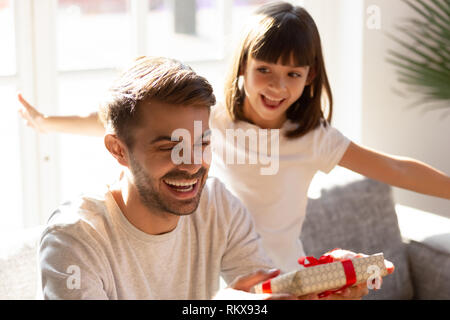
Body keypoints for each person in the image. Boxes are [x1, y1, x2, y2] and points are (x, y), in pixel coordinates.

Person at [19, 2, 450, 274]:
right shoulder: (213, 121)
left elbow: (393, 167)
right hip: (217, 277)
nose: (276, 87)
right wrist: (46, 123)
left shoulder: (312, 137)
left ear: (309, 78)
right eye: (264, 69)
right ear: (242, 67)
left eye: (292, 75)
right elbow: (119, 121)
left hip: (282, 276)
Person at [38, 55, 371, 300]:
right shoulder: (74, 238)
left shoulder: (216, 203)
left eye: (203, 143)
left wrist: (316, 285)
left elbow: (258, 288)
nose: (193, 164)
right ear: (118, 150)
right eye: (171, 147)